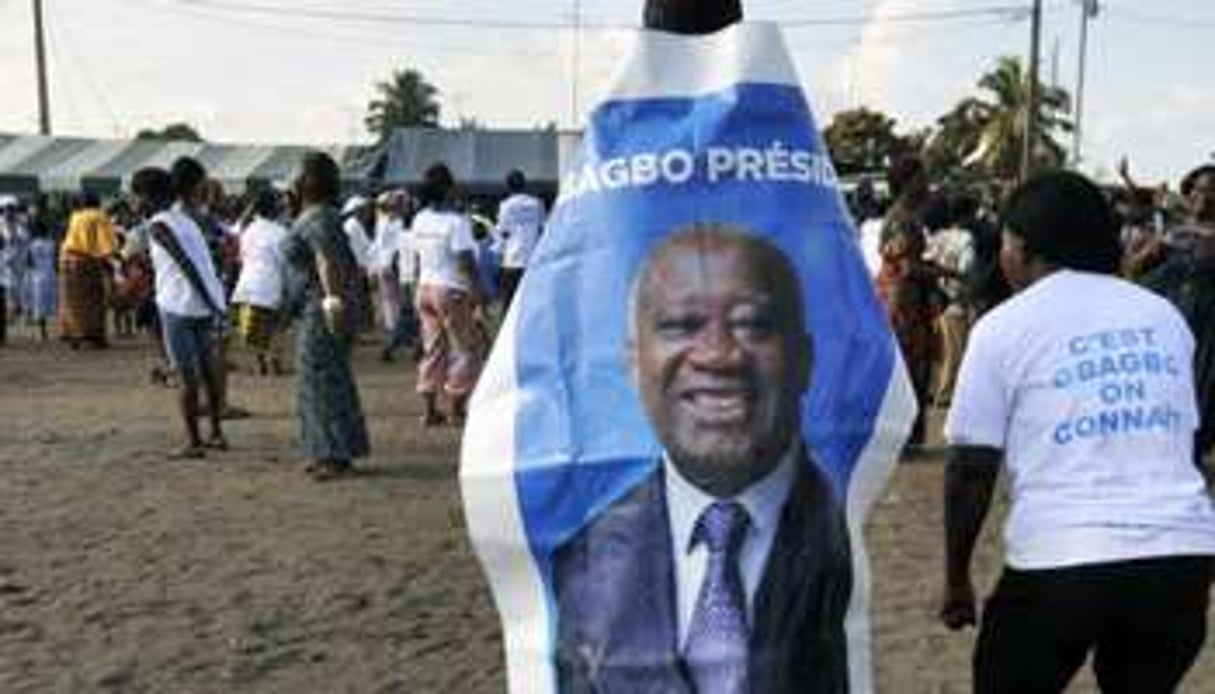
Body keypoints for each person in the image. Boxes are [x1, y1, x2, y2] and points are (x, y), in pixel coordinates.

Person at [940, 171, 1215, 693]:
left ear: (1022, 247)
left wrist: (956, 578)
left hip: (1061, 556)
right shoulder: (1162, 318)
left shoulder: (1002, 328)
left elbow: (970, 468)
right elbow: (1180, 442)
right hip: (1178, 557)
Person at [553, 224, 851, 694]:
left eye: (753, 324)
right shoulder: (581, 560)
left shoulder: (847, 529)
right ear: (634, 363)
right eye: (681, 326)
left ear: (805, 359)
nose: (718, 356)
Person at [281, 151, 370, 480]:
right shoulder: (321, 215)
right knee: (327, 379)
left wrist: (332, 303)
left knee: (319, 381)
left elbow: (326, 260)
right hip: (315, 307)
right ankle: (333, 450)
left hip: (320, 309)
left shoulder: (318, 217)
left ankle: (331, 453)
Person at [132, 161, 229, 459]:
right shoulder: (186, 220)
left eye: (136, 196)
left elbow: (186, 265)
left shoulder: (159, 225)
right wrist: (213, 302)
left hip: (177, 306)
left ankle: (193, 442)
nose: (134, 202)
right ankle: (216, 432)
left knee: (186, 376)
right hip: (201, 305)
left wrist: (208, 298)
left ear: (148, 196)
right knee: (208, 370)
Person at [410, 163, 486, 426]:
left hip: (425, 288)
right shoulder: (456, 222)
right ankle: (456, 406)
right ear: (448, 189)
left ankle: (430, 409)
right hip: (451, 288)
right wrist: (479, 294)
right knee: (466, 349)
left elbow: (417, 258)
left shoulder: (419, 219)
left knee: (433, 348)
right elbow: (466, 262)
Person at [230, 188, 289, 376]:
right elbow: (285, 261)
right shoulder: (281, 232)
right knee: (275, 326)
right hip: (270, 284)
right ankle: (273, 362)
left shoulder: (248, 230)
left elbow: (241, 257)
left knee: (255, 328)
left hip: (247, 284)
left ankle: (261, 362)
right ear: (275, 208)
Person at [57, 192, 116, 349]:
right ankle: (92, 335)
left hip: (66, 258)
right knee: (93, 298)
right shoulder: (99, 215)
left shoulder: (75, 216)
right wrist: (112, 261)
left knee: (71, 299)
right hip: (85, 261)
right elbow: (105, 246)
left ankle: (73, 333)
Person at [494, 169, 546, 309]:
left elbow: (503, 232)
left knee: (510, 305)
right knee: (533, 304)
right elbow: (542, 230)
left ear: (508, 186)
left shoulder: (505, 205)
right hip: (532, 260)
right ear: (524, 184)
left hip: (512, 261)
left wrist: (498, 254)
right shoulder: (537, 203)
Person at [22, 224, 57, 342]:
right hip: (50, 276)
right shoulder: (51, 243)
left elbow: (28, 262)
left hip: (37, 276)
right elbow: (55, 260)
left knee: (38, 304)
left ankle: (43, 331)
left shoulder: (32, 245)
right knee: (48, 304)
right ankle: (44, 331)